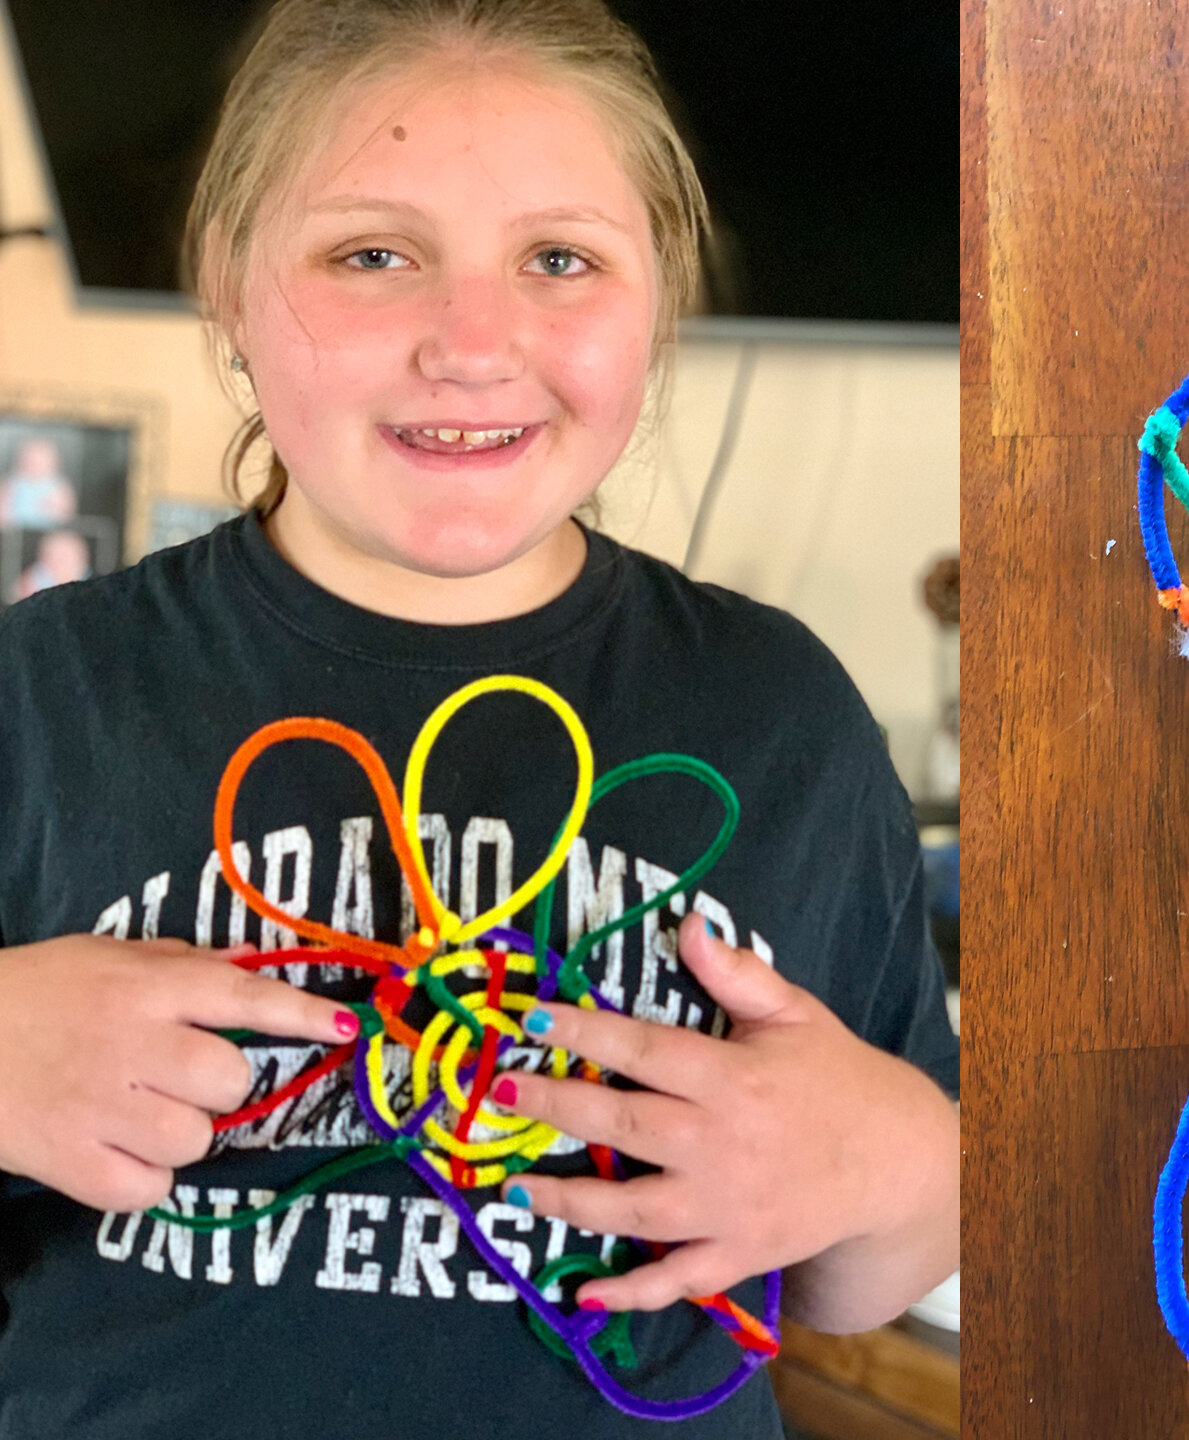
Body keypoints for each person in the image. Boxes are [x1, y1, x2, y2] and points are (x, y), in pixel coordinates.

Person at [0, 2, 959, 1436]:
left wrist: (895, 1164)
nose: (473, 342)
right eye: (372, 255)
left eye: (560, 259)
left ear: (658, 297)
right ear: (227, 285)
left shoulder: (785, 712)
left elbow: (871, 1277)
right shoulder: (36, 688)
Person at [10, 529, 92, 602]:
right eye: (55, 555)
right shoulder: (36, 577)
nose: (60, 561)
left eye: (66, 555)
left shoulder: (92, 583)